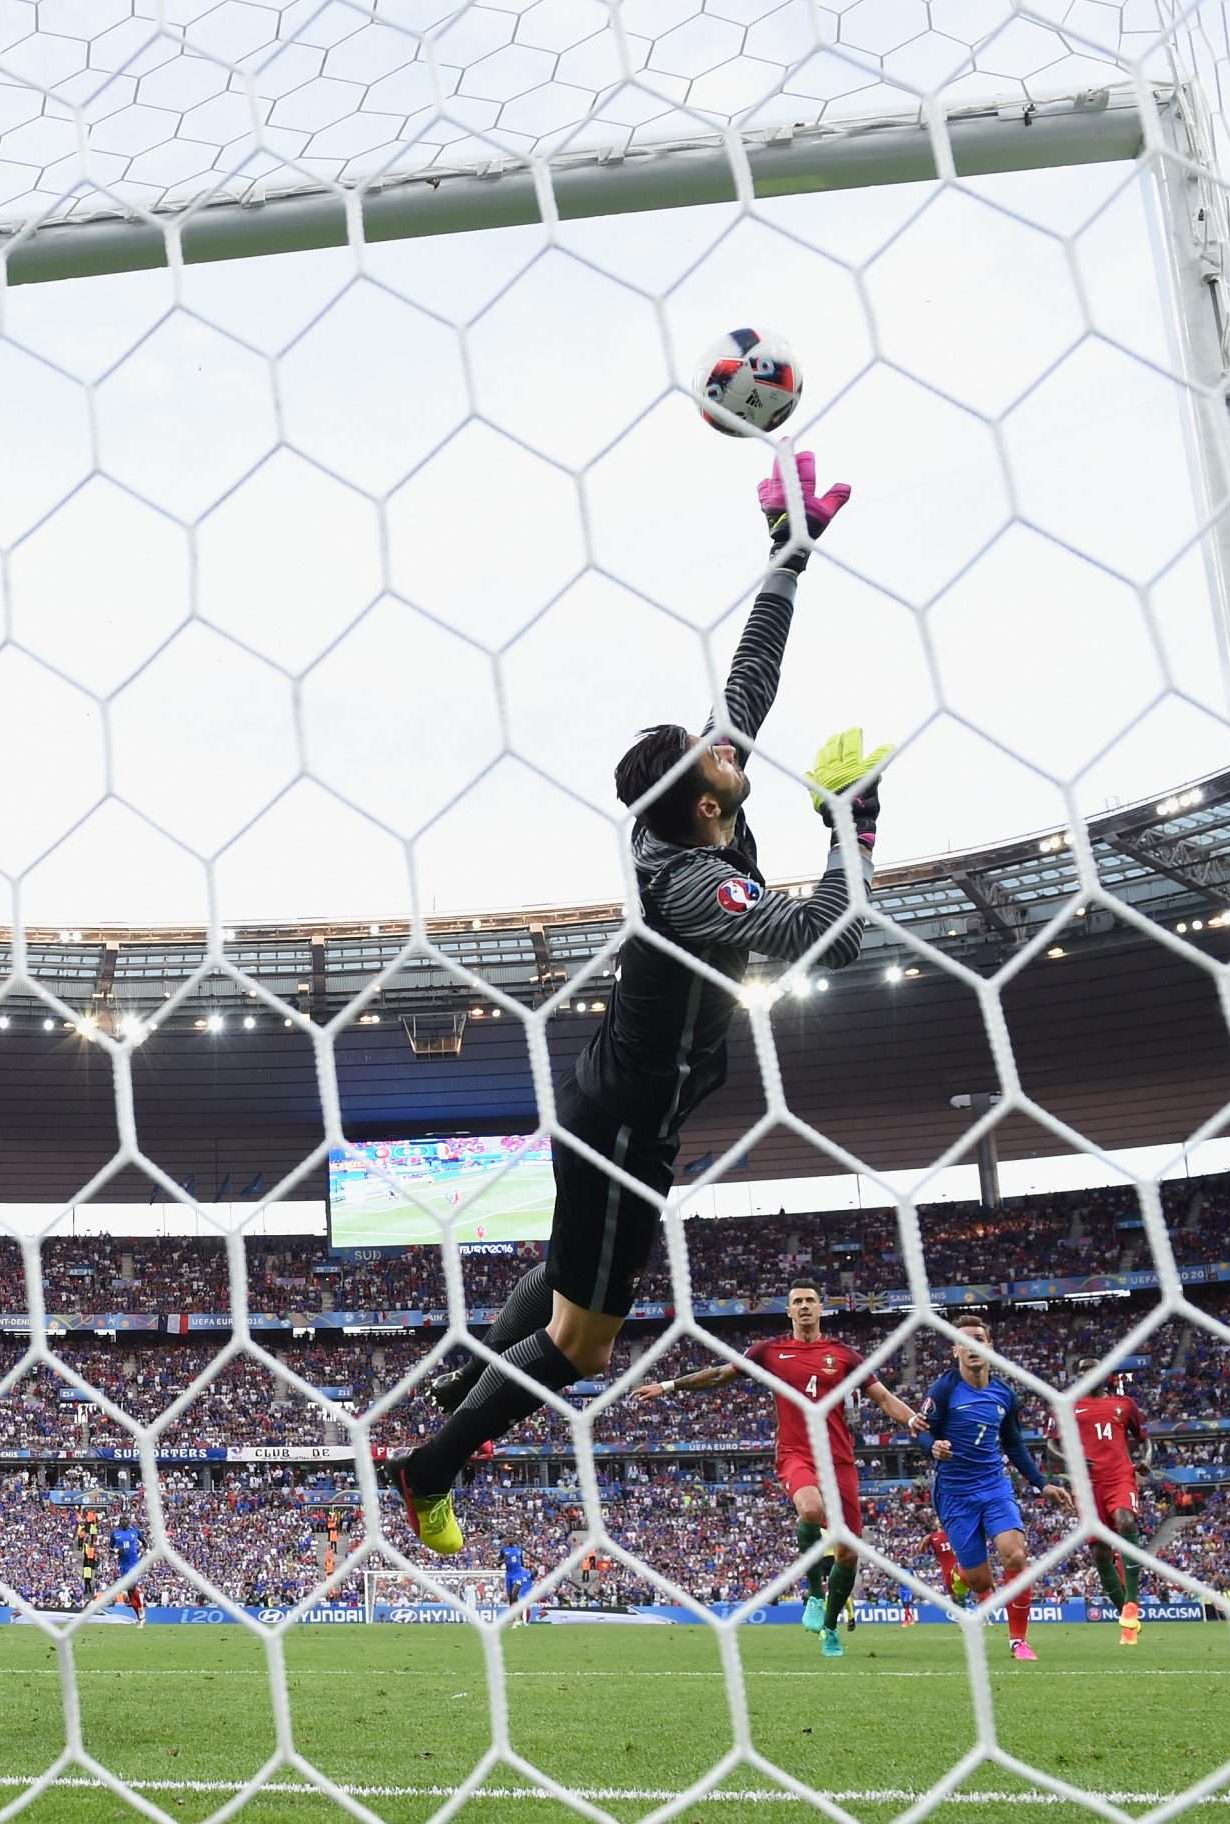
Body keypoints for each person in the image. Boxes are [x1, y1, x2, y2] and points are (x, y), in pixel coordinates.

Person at [395, 446, 883, 1554]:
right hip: (627, 1128)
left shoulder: (690, 825)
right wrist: (853, 825)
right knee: (581, 1345)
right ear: (706, 805)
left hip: (603, 1099)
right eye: (709, 753)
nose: (724, 740)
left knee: (564, 1281)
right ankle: (427, 1469)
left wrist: (788, 559)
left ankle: (460, 1382)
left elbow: (750, 681)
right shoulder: (698, 888)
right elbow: (830, 940)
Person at [632, 1285, 924, 1658]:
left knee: (849, 1555)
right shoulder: (770, 1351)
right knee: (810, 1510)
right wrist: (670, 1385)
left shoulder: (843, 1355)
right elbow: (722, 1374)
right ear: (789, 1311)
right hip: (796, 1453)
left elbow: (882, 1397)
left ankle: (830, 1626)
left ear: (821, 1309)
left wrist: (912, 1417)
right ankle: (815, 1595)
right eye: (797, 1302)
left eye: (810, 1301)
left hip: (839, 1461)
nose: (804, 1307)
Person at [925, 1318, 1074, 1663]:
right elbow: (921, 1432)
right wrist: (932, 1447)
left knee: (1016, 1555)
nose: (973, 1345)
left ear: (989, 1346)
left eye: (980, 1338)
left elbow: (1014, 1444)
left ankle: (1018, 1641)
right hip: (955, 1491)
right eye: (966, 1341)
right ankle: (958, 1577)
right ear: (956, 1350)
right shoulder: (943, 1390)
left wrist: (1042, 1483)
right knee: (980, 1581)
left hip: (994, 1485)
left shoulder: (1005, 1395)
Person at [1070, 1362, 1150, 1646]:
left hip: (1120, 1476)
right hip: (1087, 1483)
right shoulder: (1069, 1405)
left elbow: (1144, 1439)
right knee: (1101, 1554)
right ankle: (1127, 1623)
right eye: (1084, 1371)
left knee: (1126, 1520)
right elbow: (1052, 1444)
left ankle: (1131, 1602)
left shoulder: (1124, 1404)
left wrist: (1146, 1460)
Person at [110, 1519, 146, 1626]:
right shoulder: (115, 1533)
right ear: (120, 1521)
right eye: (123, 1520)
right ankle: (140, 1617)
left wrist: (145, 1550)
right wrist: (116, 1551)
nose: (125, 1521)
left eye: (127, 1519)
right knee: (130, 1594)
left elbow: (144, 1541)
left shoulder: (134, 1531)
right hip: (123, 1565)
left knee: (132, 1587)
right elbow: (110, 1548)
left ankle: (141, 1610)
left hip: (134, 1564)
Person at [501, 1540, 530, 1624]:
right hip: (509, 1575)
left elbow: (522, 1563)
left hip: (518, 1574)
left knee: (514, 1594)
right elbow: (497, 1563)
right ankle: (514, 1618)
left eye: (512, 1537)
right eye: (509, 1537)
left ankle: (519, 1617)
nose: (510, 1539)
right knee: (511, 1597)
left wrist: (524, 1573)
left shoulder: (519, 1549)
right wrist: (503, 1561)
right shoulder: (503, 1550)